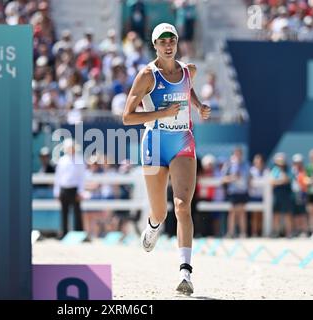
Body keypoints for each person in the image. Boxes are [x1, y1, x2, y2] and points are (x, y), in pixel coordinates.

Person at [122, 22, 211, 295]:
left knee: (183, 206)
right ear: (155, 46)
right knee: (160, 212)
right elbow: (127, 117)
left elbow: (188, 89)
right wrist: (162, 113)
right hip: (155, 143)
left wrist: (197, 105)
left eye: (171, 40)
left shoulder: (189, 70)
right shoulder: (147, 76)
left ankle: (186, 272)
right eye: (162, 42)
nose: (168, 45)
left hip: (183, 141)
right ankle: (152, 226)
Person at [53, 139, 86, 239]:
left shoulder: (79, 160)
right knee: (64, 212)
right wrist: (57, 191)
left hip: (74, 189)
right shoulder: (62, 160)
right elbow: (58, 177)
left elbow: (82, 177)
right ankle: (64, 233)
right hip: (64, 189)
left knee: (77, 212)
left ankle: (79, 233)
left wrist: (80, 191)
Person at [221, 147, 250, 238]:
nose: (238, 155)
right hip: (233, 192)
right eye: (236, 153)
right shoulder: (228, 165)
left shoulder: (246, 165)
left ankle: (243, 233)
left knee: (242, 212)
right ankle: (231, 233)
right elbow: (223, 179)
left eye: (239, 153)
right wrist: (233, 178)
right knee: (232, 212)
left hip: (243, 191)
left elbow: (249, 178)